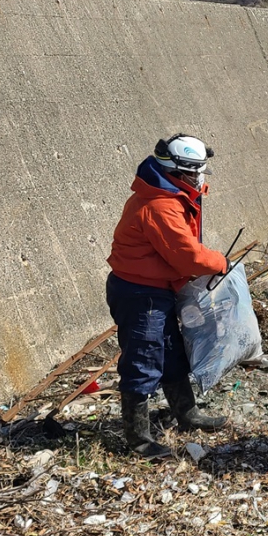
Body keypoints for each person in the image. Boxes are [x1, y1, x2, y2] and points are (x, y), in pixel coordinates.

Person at [106, 134, 230, 458]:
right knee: (143, 360)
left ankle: (187, 414)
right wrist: (219, 262)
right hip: (140, 292)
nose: (200, 178)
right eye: (195, 172)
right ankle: (139, 440)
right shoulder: (160, 205)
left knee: (172, 354)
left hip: (155, 288)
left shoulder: (169, 194)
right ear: (178, 171)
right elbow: (186, 255)